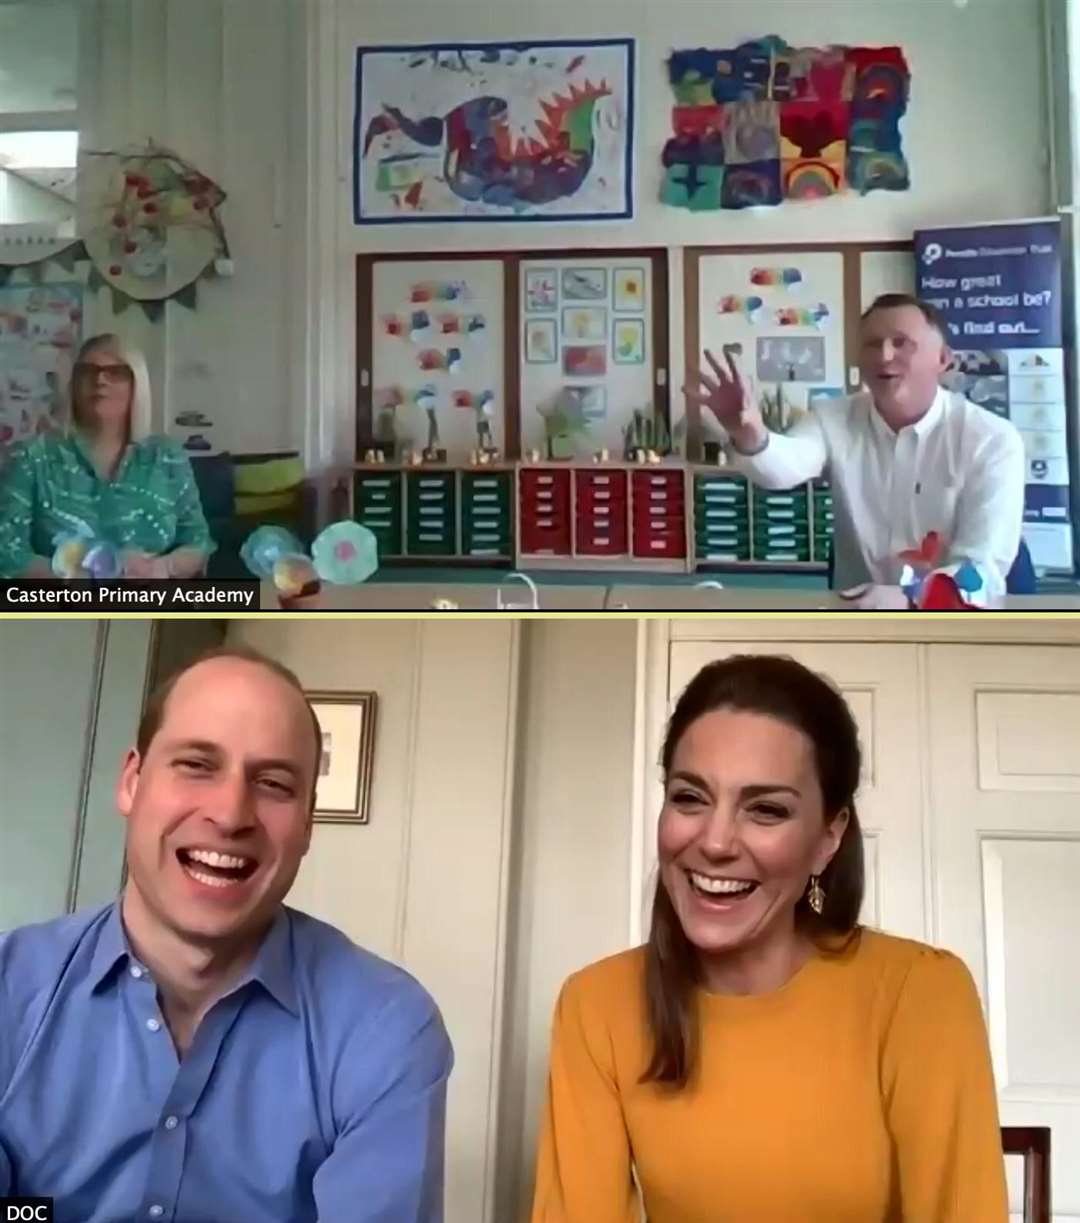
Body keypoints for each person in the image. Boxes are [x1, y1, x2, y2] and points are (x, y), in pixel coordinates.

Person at [531, 654, 1008, 1222]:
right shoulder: (598, 1004)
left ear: (829, 836)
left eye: (766, 810)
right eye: (690, 798)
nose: (715, 842)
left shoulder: (921, 994)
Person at [0, 646, 453, 1223]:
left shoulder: (385, 1026)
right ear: (132, 783)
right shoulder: (10, 991)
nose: (231, 812)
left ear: (308, 823)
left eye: (273, 783)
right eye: (196, 765)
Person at [684, 295, 1026, 609]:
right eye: (872, 344)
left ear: (943, 359)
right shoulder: (832, 417)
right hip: (857, 611)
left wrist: (910, 599)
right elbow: (784, 468)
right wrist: (750, 432)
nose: (884, 356)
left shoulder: (992, 439)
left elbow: (980, 569)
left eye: (901, 343)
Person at [0, 332, 213, 579]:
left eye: (116, 373)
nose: (100, 380)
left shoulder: (167, 456)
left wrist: (160, 569)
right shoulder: (33, 458)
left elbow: (198, 542)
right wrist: (72, 575)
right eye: (88, 372)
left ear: (137, 385)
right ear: (74, 385)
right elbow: (7, 553)